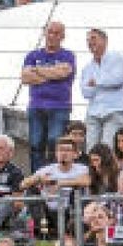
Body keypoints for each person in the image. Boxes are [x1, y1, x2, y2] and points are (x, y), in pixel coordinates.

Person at [21, 21, 76, 170]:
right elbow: (25, 78)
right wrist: (52, 73)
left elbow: (63, 72)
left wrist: (37, 71)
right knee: (35, 144)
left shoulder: (68, 55)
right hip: (36, 106)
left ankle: (54, 178)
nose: (52, 36)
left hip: (60, 107)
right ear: (45, 33)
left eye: (56, 33)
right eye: (49, 32)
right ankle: (38, 180)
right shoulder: (32, 55)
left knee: (55, 143)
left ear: (62, 36)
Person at [80, 28, 123, 150]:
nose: (90, 42)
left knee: (108, 148)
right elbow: (86, 92)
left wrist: (96, 82)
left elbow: (118, 80)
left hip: (114, 111)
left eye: (93, 38)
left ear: (105, 40)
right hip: (93, 113)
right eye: (88, 40)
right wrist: (103, 82)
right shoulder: (87, 67)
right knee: (90, 149)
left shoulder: (116, 58)